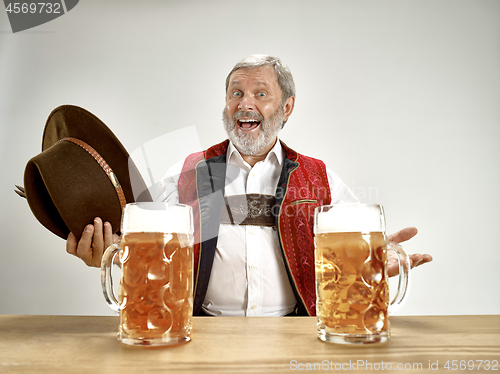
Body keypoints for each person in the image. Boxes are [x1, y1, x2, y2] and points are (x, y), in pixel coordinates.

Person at [66, 54, 432, 316]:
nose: (245, 104)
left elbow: (352, 259)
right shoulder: (186, 174)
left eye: (260, 93)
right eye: (236, 93)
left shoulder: (321, 178)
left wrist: (372, 267)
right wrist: (110, 257)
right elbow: (149, 260)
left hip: (297, 336)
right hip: (201, 336)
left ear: (287, 107)